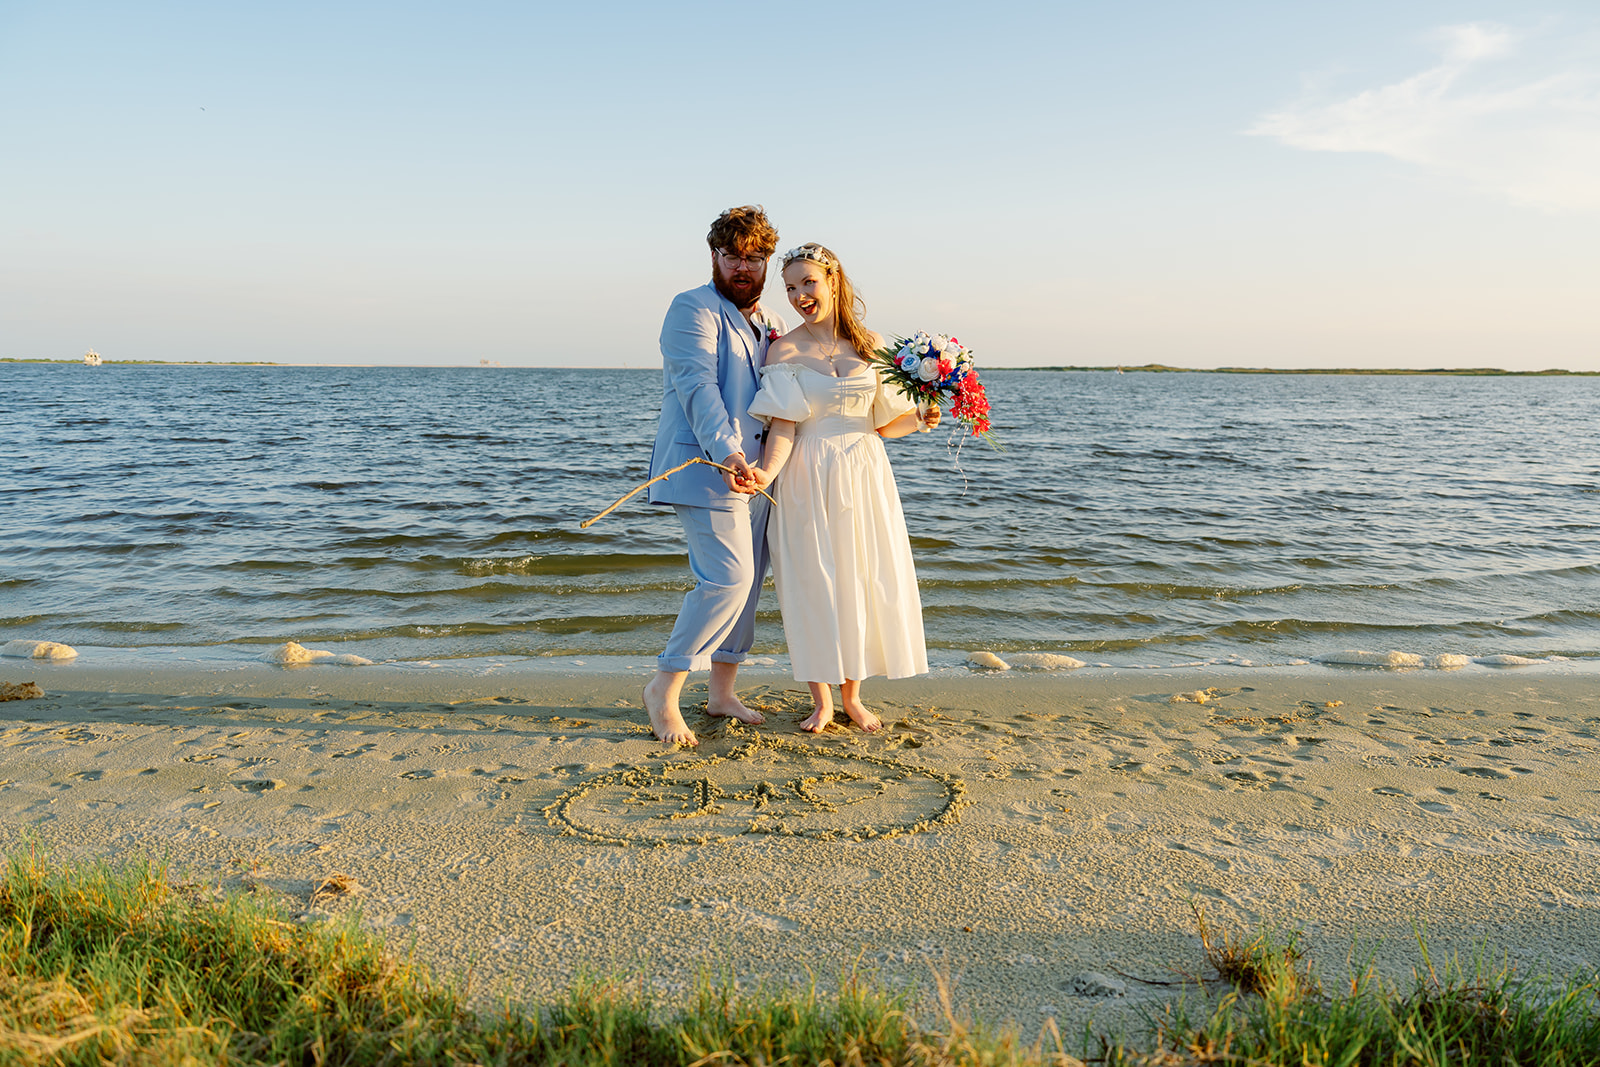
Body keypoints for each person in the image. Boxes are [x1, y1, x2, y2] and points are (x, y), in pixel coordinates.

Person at [746, 242, 939, 732]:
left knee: (860, 579)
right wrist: (766, 473)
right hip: (806, 473)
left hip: (865, 471)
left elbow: (884, 424)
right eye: (790, 287)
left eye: (808, 282)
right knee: (813, 581)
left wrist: (920, 418)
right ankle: (822, 700)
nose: (799, 295)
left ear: (833, 281)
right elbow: (784, 426)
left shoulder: (871, 343)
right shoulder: (783, 349)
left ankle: (852, 697)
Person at [642, 206, 787, 745]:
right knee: (727, 580)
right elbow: (698, 388)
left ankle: (721, 693)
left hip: (760, 476)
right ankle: (663, 688)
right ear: (714, 256)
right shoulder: (692, 308)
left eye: (755, 257)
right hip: (706, 466)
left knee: (749, 586)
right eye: (733, 256)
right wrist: (728, 453)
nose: (743, 267)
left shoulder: (771, 320)